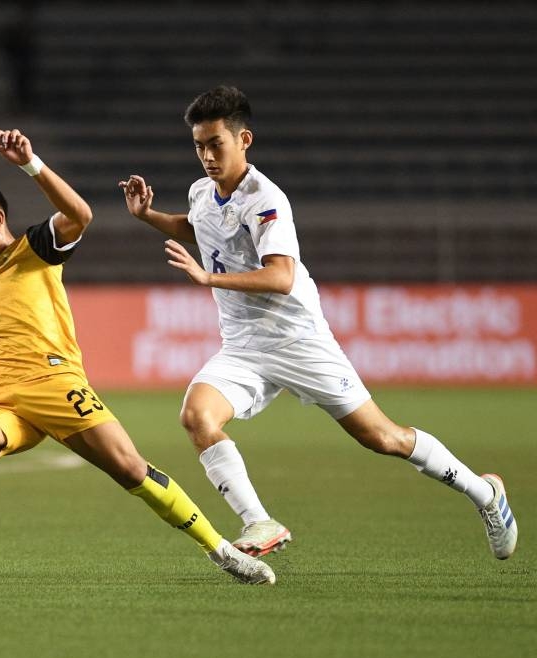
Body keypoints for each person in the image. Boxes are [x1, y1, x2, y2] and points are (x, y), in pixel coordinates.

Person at [0, 128, 276, 585]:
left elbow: (79, 214)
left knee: (132, 471)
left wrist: (30, 164)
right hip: (0, 404)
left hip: (56, 389)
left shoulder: (33, 251)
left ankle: (221, 550)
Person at [118, 85, 517, 561]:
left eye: (215, 144)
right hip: (244, 346)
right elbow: (200, 225)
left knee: (382, 437)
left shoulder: (266, 200)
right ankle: (258, 521)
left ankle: (485, 494)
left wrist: (209, 278)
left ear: (244, 140)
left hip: (298, 341)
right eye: (199, 145)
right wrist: (150, 217)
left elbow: (282, 276)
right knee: (197, 416)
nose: (206, 155)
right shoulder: (203, 191)